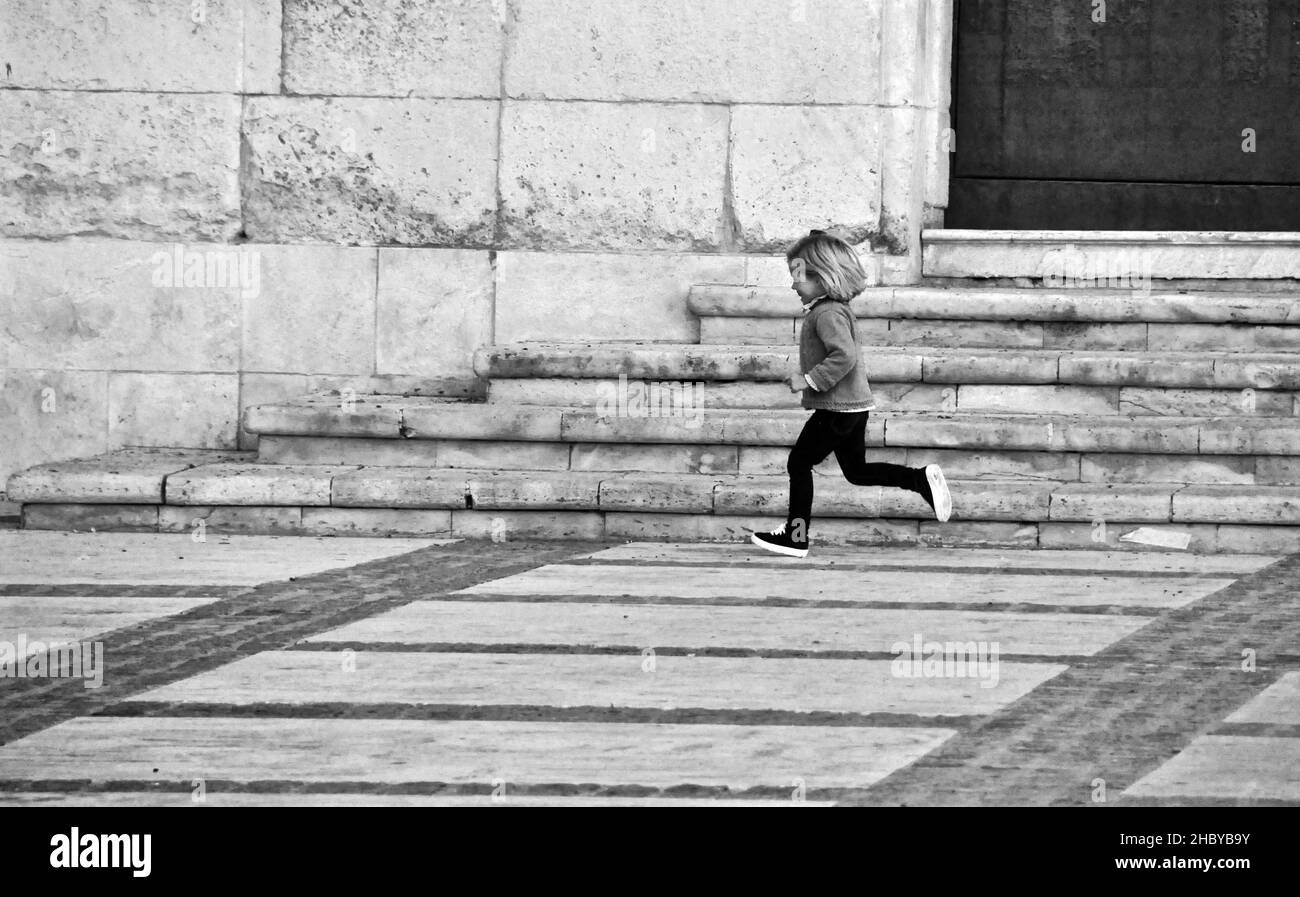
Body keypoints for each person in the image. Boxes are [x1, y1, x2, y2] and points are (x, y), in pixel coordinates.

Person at [751, 229, 952, 558]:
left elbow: (843, 356)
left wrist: (808, 380)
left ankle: (796, 536)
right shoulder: (832, 309)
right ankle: (920, 480)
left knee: (798, 464)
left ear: (823, 277)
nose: (792, 285)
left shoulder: (827, 313)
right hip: (851, 408)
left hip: (837, 410)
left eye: (798, 277)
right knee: (856, 472)